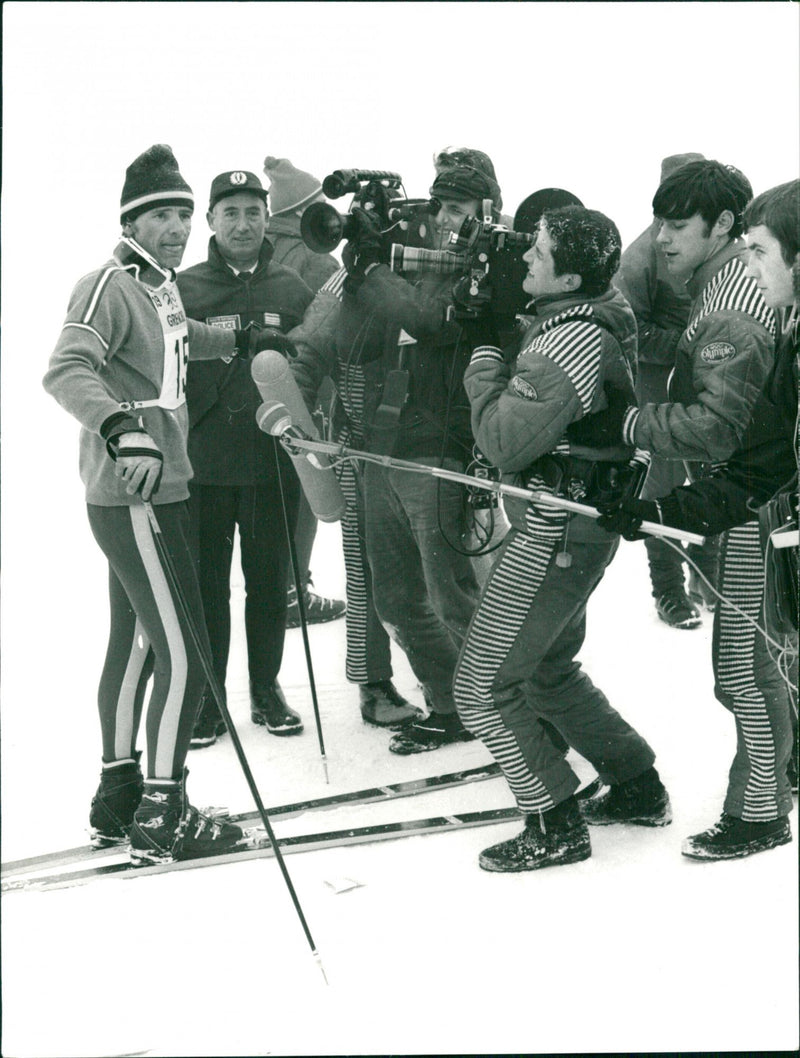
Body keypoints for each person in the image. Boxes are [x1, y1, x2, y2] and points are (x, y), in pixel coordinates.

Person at [41, 144, 269, 863]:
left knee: (140, 642)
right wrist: (120, 428)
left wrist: (237, 335)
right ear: (131, 222)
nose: (174, 226)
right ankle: (164, 813)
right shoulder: (107, 284)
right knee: (185, 653)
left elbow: (175, 345)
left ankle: (119, 795)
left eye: (179, 213)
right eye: (159, 216)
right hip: (138, 488)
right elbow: (66, 369)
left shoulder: (157, 286)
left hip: (159, 484)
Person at [453, 204, 671, 873]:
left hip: (557, 528)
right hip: (577, 522)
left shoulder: (565, 342)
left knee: (482, 685)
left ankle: (552, 820)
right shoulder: (595, 308)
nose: (523, 260)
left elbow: (504, 440)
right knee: (546, 670)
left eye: (538, 254)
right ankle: (636, 784)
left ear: (570, 277)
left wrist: (486, 348)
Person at [595, 179, 799, 859]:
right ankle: (771, 787)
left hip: (759, 512)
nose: (662, 238)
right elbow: (761, 451)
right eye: (658, 222)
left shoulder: (734, 306)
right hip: (747, 497)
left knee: (745, 667)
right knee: (756, 661)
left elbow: (725, 435)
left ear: (723, 226)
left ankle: (762, 809)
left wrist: (624, 424)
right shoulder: (746, 295)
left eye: (679, 224)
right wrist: (668, 509)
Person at [291, 150, 506, 751]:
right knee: (396, 597)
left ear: (485, 207)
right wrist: (289, 397)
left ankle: (509, 714)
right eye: (436, 204)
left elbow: (436, 319)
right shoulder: (381, 263)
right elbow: (317, 339)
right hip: (378, 451)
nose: (441, 218)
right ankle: (452, 703)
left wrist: (371, 271)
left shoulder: (487, 264)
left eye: (456, 206)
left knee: (456, 596)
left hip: (442, 452)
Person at [177, 170, 315, 746]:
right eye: (229, 212)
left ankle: (266, 689)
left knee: (268, 583)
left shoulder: (290, 286)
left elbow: (316, 361)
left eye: (253, 211)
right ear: (210, 220)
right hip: (204, 466)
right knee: (208, 587)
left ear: (267, 218)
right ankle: (209, 700)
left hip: (270, 466)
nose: (242, 223)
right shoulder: (183, 288)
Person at [615, 152, 720, 629]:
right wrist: (685, 344)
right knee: (661, 489)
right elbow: (626, 328)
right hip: (658, 386)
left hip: (706, 382)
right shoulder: (641, 254)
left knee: (713, 478)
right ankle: (670, 591)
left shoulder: (714, 246)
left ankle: (709, 578)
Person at [262, 156, 347, 629]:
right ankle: (295, 592)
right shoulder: (316, 258)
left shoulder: (264, 249)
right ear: (302, 209)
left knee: (279, 494)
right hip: (312, 390)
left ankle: (281, 586)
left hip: (269, 388)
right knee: (307, 490)